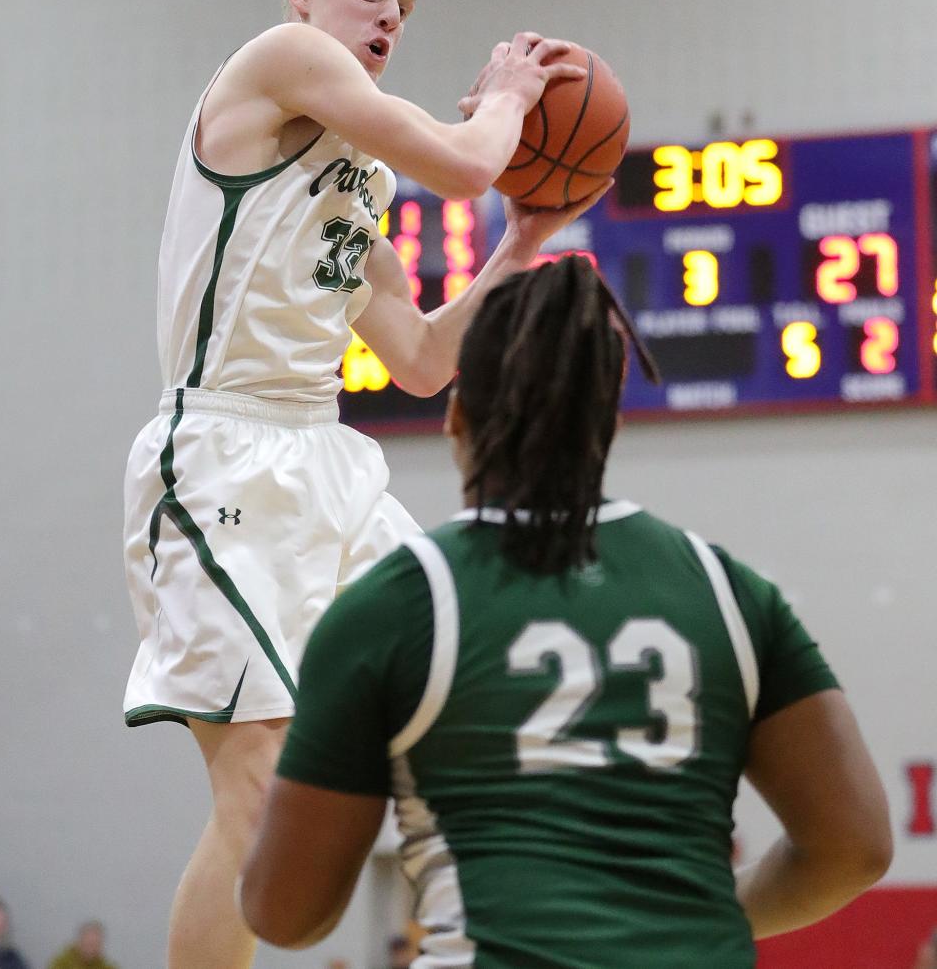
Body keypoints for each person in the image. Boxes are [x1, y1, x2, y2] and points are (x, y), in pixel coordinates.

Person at [122, 0, 601, 969]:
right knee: (257, 794)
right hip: (220, 454)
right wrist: (513, 104)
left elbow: (424, 361)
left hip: (326, 462)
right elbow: (468, 165)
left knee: (455, 701)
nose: (390, 17)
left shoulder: (360, 181)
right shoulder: (280, 58)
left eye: (404, 8)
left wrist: (521, 247)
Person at [239, 256, 893, 967]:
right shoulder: (728, 590)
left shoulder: (396, 606)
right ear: (607, 420)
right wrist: (689, 915)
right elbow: (855, 846)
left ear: (455, 418)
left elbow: (287, 912)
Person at [47, 922, 117, 969]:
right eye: (89, 944)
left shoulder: (106, 966)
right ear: (80, 942)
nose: (92, 950)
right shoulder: (62, 963)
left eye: (96, 945)